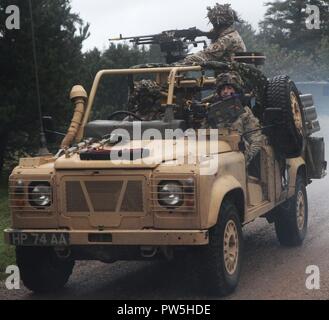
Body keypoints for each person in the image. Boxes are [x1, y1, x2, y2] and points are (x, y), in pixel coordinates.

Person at [207, 72, 265, 167]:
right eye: (223, 89)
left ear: (236, 91)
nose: (225, 92)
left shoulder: (244, 112)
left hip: (237, 158)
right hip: (216, 157)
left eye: (229, 88)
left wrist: (246, 158)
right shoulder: (212, 113)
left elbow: (256, 137)